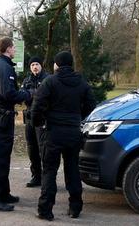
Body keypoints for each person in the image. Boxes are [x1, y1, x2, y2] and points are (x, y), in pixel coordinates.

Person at [31, 51, 96, 221]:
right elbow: (91, 104)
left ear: (57, 65)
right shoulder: (81, 83)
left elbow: (37, 106)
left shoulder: (50, 81)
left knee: (49, 171)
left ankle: (45, 210)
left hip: (53, 132)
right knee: (73, 169)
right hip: (73, 132)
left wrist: (39, 123)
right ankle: (75, 207)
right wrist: (78, 117)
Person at [0, 37, 32, 212]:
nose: (15, 51)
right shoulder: (5, 67)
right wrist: (27, 94)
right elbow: (8, 94)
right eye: (13, 48)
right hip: (2, 116)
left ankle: (3, 193)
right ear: (8, 49)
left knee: (3, 157)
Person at [21, 56, 48, 188]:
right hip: (29, 117)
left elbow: (46, 97)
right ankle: (36, 176)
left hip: (42, 118)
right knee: (32, 148)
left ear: (41, 65)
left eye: (37, 64)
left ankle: (46, 177)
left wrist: (32, 94)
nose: (35, 67)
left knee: (43, 148)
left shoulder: (47, 79)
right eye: (32, 65)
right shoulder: (27, 80)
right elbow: (22, 95)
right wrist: (34, 94)